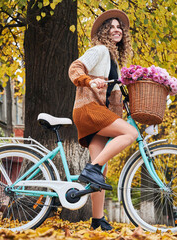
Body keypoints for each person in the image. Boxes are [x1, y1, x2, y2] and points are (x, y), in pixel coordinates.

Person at [68, 9, 138, 230]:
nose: (116, 30)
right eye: (112, 27)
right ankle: (91, 169)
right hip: (88, 109)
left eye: (119, 27)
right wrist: (89, 82)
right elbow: (75, 68)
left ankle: (97, 220)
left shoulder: (113, 60)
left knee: (101, 169)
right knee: (130, 134)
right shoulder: (99, 50)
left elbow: (114, 97)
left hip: (98, 113)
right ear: (104, 32)